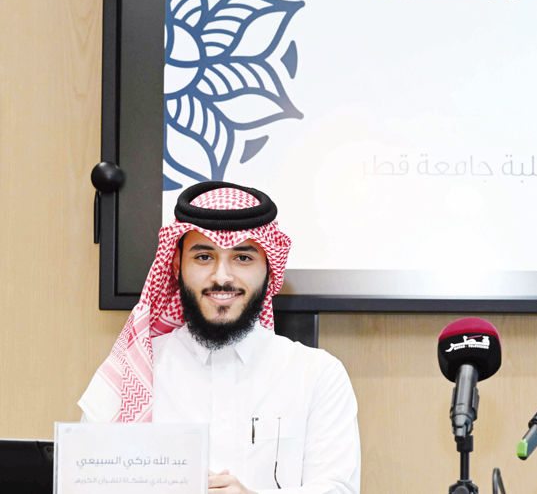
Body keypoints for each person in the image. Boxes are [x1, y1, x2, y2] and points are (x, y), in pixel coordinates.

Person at [79, 182, 361, 494]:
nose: (222, 277)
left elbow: (337, 489)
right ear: (176, 266)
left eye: (242, 258)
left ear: (268, 269)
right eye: (203, 257)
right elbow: (82, 481)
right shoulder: (132, 371)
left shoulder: (317, 374)